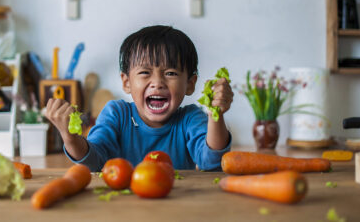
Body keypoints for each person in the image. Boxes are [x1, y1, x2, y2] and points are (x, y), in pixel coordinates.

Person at [45, 25, 234, 172]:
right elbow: (93, 163)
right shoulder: (116, 114)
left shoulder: (191, 118)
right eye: (145, 72)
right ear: (126, 82)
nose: (157, 82)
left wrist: (215, 113)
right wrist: (68, 136)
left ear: (190, 84)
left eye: (170, 73)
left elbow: (212, 163)